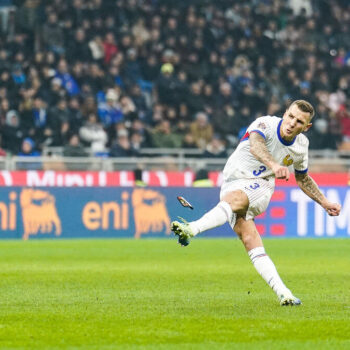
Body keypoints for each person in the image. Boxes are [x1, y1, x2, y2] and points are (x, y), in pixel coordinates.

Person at [171, 100, 341, 306]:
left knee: (235, 200)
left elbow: (303, 178)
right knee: (250, 239)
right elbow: (256, 146)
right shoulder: (265, 124)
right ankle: (284, 294)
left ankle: (191, 229)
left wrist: (324, 202)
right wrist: (274, 164)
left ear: (307, 127)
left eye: (299, 122)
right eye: (291, 116)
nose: (292, 123)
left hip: (261, 185)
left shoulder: (301, 146)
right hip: (232, 182)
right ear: (285, 113)